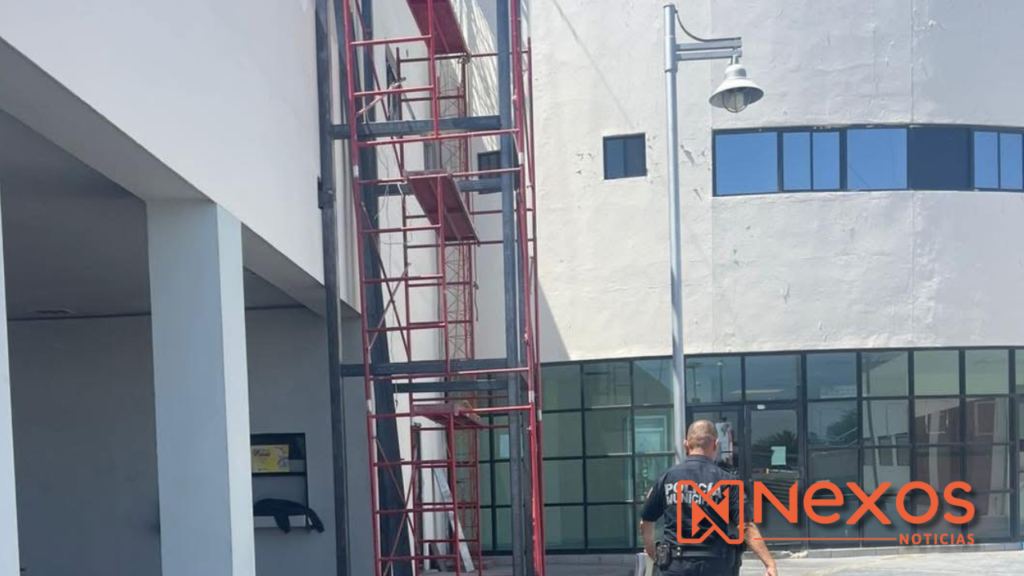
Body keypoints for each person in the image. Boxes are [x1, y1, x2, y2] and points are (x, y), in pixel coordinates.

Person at [639, 420, 777, 576]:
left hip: (676, 565)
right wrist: (769, 564)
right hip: (715, 565)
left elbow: (646, 520)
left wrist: (651, 550)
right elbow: (745, 527)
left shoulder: (667, 478)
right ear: (716, 444)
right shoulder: (728, 481)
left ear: (686, 445)